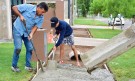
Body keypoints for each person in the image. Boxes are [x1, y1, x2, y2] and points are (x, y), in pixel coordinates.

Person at [11, 2, 48, 72]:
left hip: (27, 32)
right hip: (18, 29)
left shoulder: (41, 17)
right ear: (39, 8)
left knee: (30, 48)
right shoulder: (28, 7)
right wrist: (20, 15)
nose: (42, 14)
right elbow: (14, 7)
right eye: (42, 12)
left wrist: (31, 34)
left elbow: (36, 26)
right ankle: (14, 66)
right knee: (18, 48)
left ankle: (27, 66)